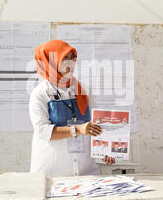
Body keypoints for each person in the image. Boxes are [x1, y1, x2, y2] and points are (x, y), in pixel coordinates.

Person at [29, 39, 115, 177]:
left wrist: (105, 149)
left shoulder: (84, 90)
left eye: (72, 58)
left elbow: (95, 124)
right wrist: (76, 129)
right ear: (51, 62)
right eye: (64, 59)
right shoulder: (40, 93)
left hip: (85, 171)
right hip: (52, 172)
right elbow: (42, 131)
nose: (71, 63)